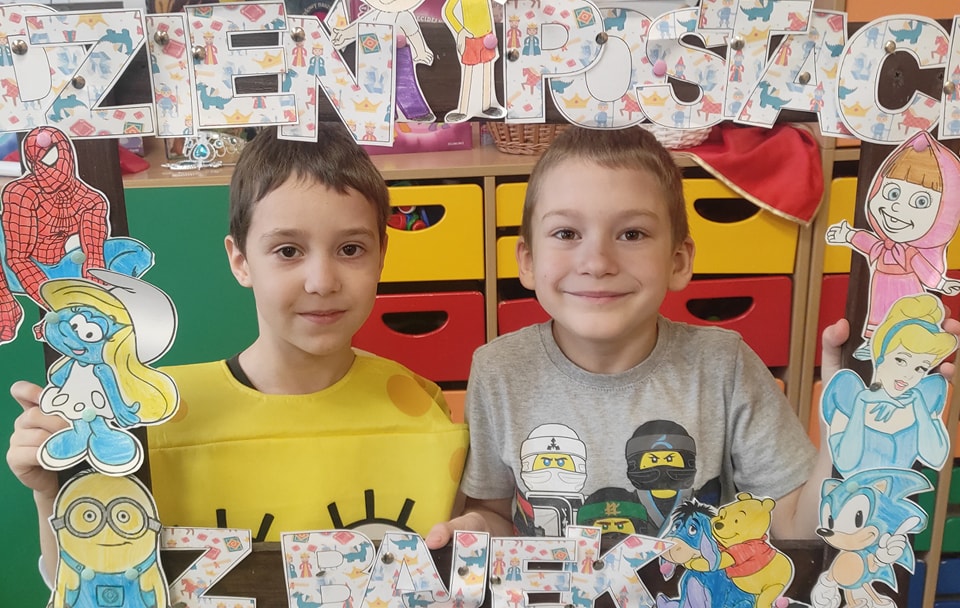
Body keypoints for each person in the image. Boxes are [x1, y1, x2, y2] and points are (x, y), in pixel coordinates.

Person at [7, 124, 468, 581]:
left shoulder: (419, 407)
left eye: (350, 249)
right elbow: (97, 580)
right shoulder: (152, 413)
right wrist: (54, 492)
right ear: (240, 260)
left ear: (382, 254)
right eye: (288, 251)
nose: (322, 282)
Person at [426, 126, 850, 548]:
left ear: (678, 261)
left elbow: (796, 526)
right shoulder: (498, 369)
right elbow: (496, 514)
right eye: (567, 234)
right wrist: (472, 529)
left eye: (632, 234)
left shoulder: (725, 366)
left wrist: (844, 432)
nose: (597, 263)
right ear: (529, 261)